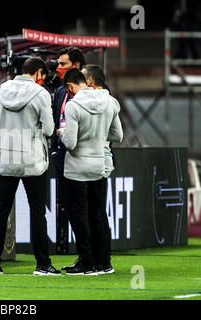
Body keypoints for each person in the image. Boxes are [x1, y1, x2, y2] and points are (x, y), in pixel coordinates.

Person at [0, 57, 60, 276]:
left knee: (0, 211)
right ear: (38, 73)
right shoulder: (41, 94)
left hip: (7, 159)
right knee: (37, 211)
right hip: (32, 160)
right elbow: (48, 129)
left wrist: (1, 148)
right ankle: (42, 264)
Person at [56, 69, 123, 276]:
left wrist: (62, 133)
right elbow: (118, 136)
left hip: (77, 167)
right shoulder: (110, 102)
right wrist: (99, 139)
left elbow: (71, 142)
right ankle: (104, 262)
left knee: (79, 217)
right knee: (98, 214)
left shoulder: (73, 105)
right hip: (99, 163)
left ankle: (87, 263)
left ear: (70, 86)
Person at [51, 46, 86, 263]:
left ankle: (95, 257)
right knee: (71, 207)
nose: (58, 68)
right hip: (63, 154)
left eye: (63, 64)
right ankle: (85, 256)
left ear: (76, 66)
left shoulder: (98, 92)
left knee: (88, 208)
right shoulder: (62, 91)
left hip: (84, 156)